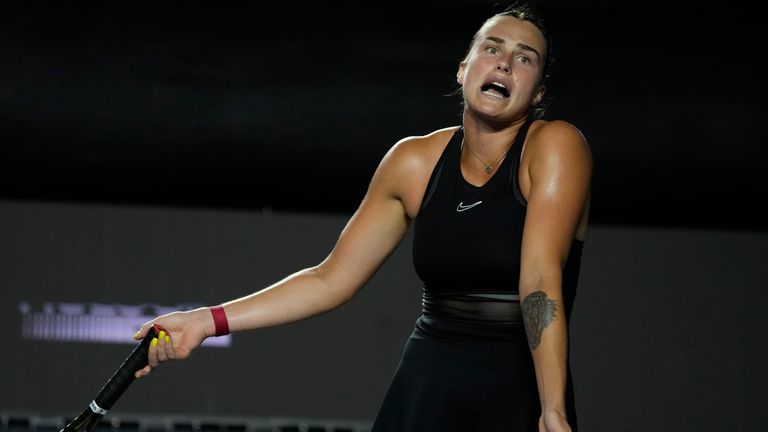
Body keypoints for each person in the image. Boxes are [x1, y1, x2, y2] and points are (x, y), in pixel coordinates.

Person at [133, 3, 592, 431]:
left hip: (519, 387)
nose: (504, 63)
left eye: (524, 58)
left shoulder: (557, 146)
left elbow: (537, 277)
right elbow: (330, 279)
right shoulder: (412, 162)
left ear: (538, 93)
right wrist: (205, 321)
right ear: (463, 68)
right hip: (426, 383)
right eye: (491, 48)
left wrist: (551, 408)